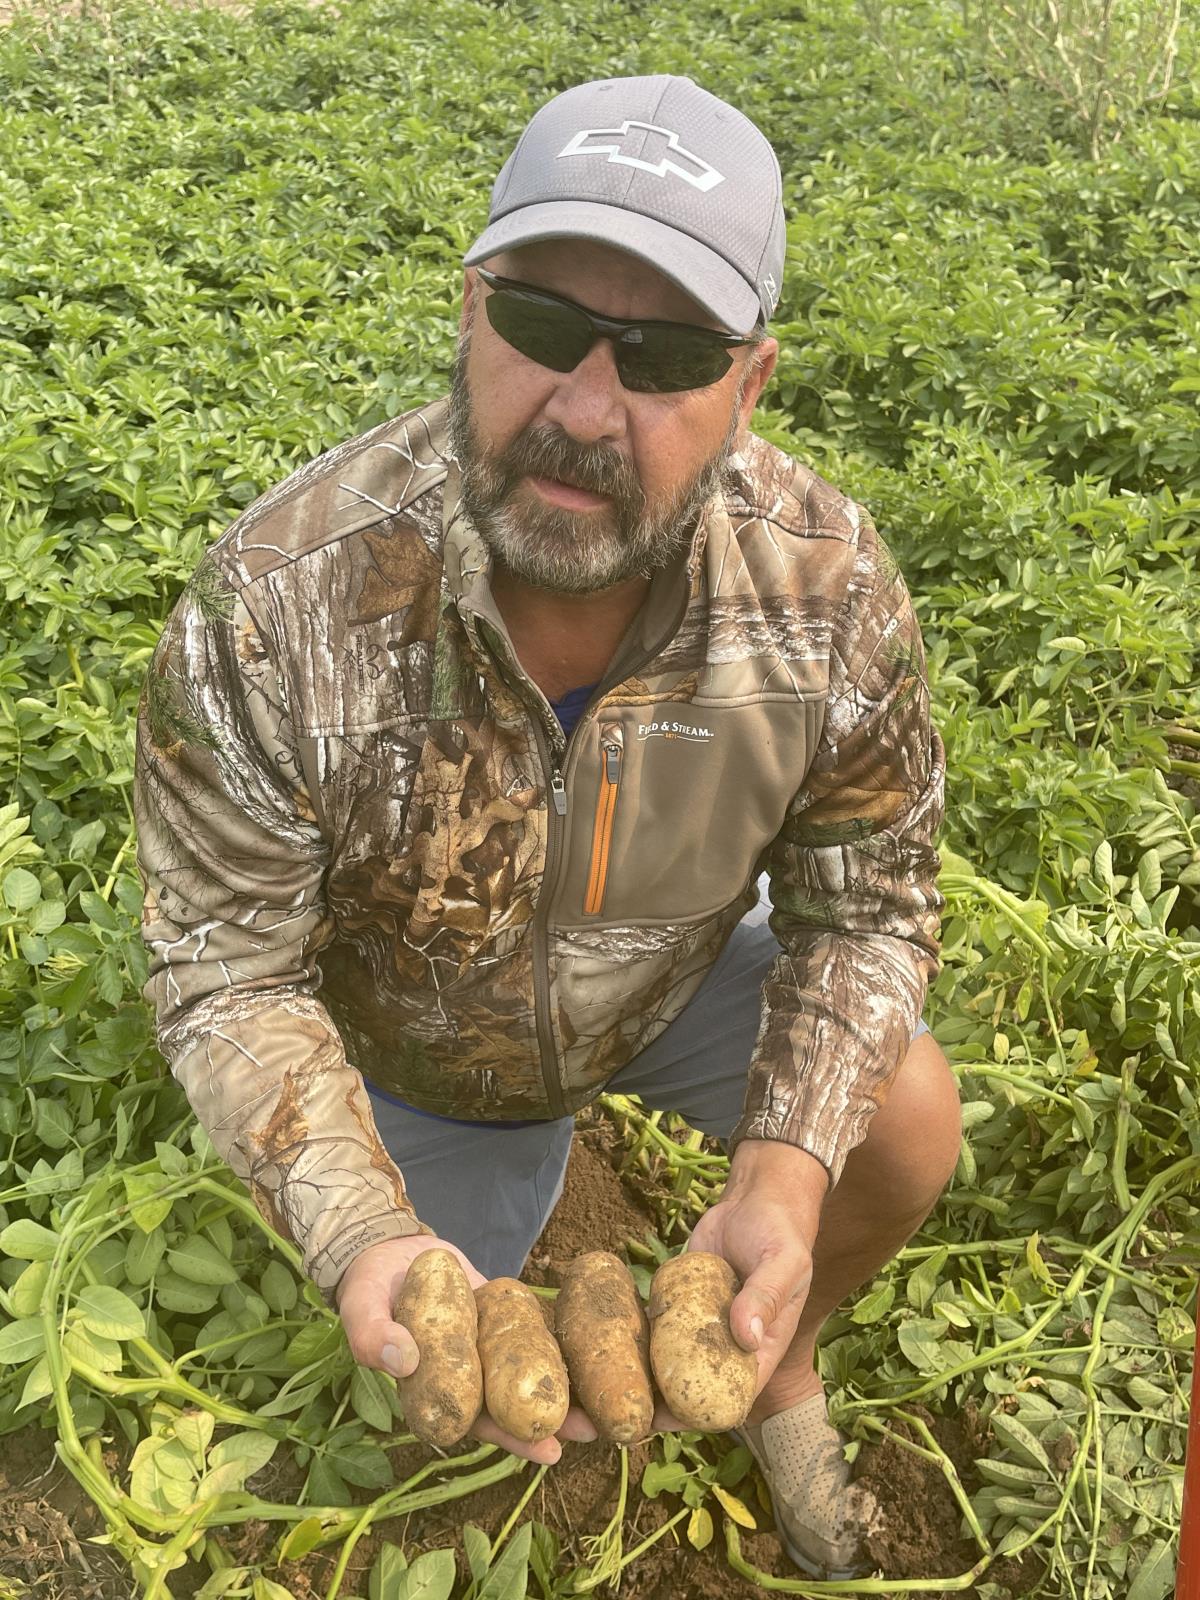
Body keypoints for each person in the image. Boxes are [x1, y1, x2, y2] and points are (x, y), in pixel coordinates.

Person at [133, 74, 962, 1581]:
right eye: (538, 326)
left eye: (663, 355)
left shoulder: (826, 596)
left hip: (666, 971)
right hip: (421, 1041)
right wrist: (361, 1230)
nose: (585, 409)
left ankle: (780, 1357)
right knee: (433, 1387)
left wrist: (782, 1174)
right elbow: (224, 971)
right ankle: (451, 1229)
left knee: (901, 1121)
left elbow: (869, 910)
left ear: (750, 384)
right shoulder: (276, 605)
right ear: (469, 310)